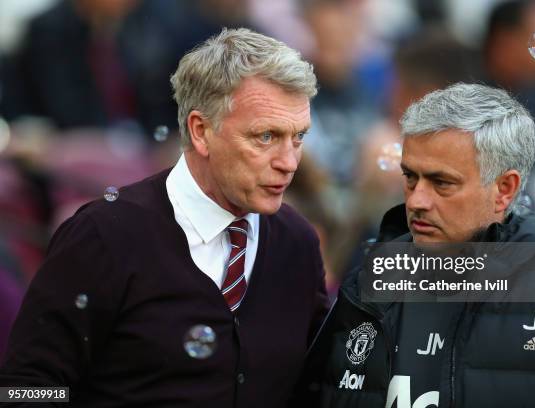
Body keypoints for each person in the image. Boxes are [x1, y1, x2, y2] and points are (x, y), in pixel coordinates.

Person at [0, 28, 329, 407]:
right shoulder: (103, 236)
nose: (289, 163)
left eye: (298, 137)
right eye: (265, 137)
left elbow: (316, 387)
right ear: (201, 131)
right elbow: (23, 388)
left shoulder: (297, 242)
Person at [294, 83, 535, 407]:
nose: (416, 200)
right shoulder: (369, 283)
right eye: (410, 178)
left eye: (441, 183)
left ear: (504, 189)